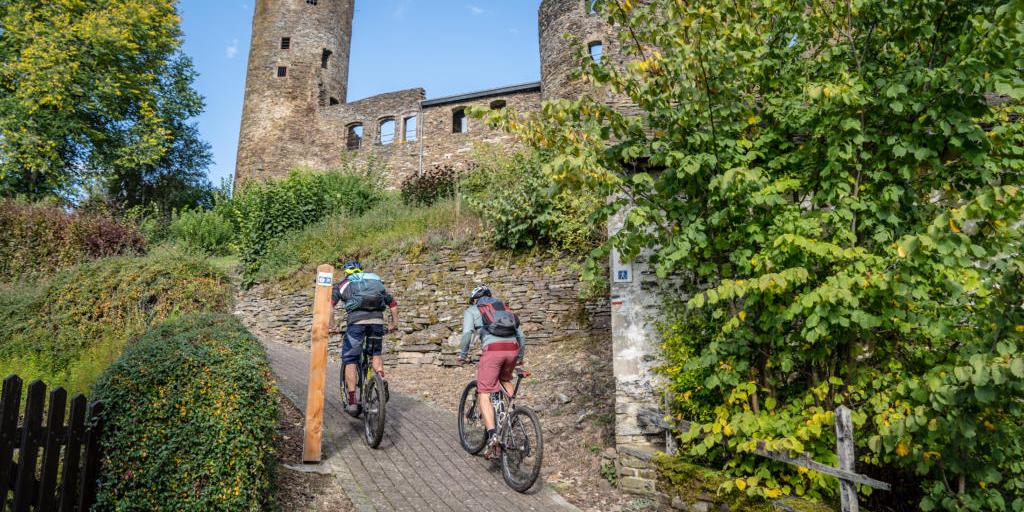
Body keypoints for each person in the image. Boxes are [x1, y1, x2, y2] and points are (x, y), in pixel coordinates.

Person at [457, 285, 525, 459]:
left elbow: (466, 335)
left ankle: (493, 434)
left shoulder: (472, 310)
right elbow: (521, 335)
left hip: (493, 352)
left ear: (474, 299)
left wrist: (463, 354)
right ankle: (511, 414)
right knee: (505, 379)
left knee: (484, 392)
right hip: (512, 349)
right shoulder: (503, 308)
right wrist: (520, 357)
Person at [330, 260, 399, 415]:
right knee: (375, 354)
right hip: (377, 321)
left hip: (356, 323)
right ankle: (381, 379)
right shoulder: (374, 282)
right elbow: (393, 304)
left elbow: (330, 305)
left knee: (350, 360)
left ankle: (353, 400)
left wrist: (332, 326)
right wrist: (394, 324)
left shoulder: (343, 285)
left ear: (346, 272)